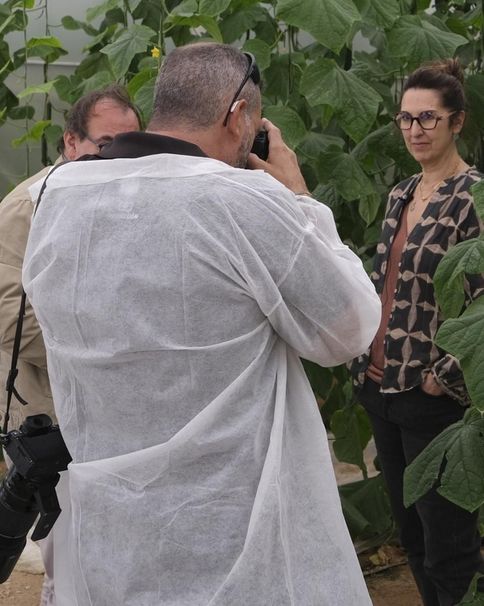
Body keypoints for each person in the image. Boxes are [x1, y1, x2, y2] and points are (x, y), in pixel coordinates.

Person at [20, 42, 382, 606]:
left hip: (111, 533)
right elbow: (348, 328)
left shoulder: (58, 197)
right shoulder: (240, 201)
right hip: (229, 540)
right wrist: (301, 200)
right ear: (239, 117)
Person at [348, 58, 484, 606]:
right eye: (405, 119)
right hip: (382, 386)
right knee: (415, 538)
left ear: (457, 122)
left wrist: (443, 378)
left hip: (431, 396)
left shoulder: (480, 198)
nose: (415, 131)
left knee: (450, 545)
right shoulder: (400, 194)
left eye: (428, 119)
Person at [0, 83, 142, 606]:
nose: (116, 154)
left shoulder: (128, 197)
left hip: (108, 406)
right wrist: (116, 334)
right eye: (105, 141)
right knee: (67, 559)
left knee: (112, 552)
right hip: (46, 413)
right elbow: (10, 323)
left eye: (130, 141)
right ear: (71, 143)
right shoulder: (28, 208)